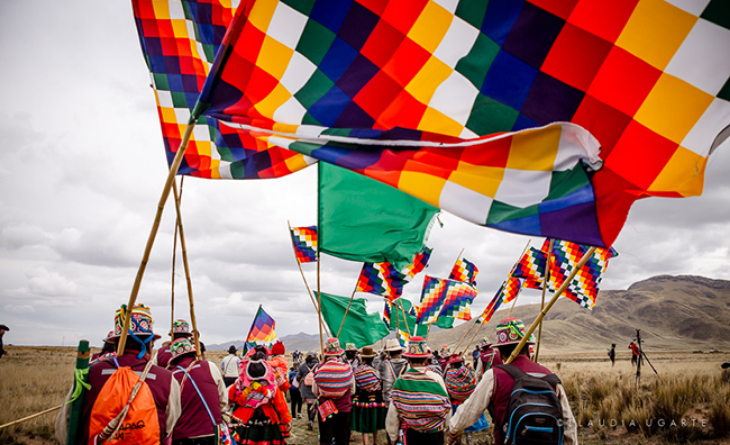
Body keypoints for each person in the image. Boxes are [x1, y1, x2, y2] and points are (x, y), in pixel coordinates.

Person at [55, 304, 181, 445]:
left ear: (115, 342)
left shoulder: (90, 373)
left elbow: (65, 425)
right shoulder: (167, 379)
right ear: (149, 343)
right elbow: (170, 425)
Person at [447, 318, 577, 445]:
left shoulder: (495, 375)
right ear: (527, 348)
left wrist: (453, 429)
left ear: (500, 352)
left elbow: (470, 410)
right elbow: (569, 423)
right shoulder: (550, 376)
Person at [386, 336, 451, 445]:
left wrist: (393, 435)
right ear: (426, 360)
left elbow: (393, 413)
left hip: (411, 433)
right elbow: (446, 404)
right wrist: (446, 427)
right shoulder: (436, 378)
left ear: (408, 360)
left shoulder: (401, 382)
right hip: (435, 433)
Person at [169, 337, 228, 445]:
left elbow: (171, 412)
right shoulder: (210, 366)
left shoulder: (171, 376)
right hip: (212, 431)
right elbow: (223, 400)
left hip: (183, 435)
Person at [229, 351, 292, 445]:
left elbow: (231, 396)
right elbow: (280, 403)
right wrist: (286, 420)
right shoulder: (272, 384)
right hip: (267, 417)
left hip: (243, 417)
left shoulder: (240, 382)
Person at [312, 338, 356, 445]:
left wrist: (326, 393)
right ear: (339, 353)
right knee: (342, 438)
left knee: (325, 438)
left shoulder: (320, 368)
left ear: (326, 353)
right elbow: (353, 390)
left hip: (325, 408)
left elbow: (315, 390)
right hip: (344, 409)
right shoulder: (347, 368)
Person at [444, 355, 487, 445]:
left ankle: (458, 442)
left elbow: (448, 388)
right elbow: (476, 382)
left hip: (456, 404)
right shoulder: (469, 371)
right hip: (469, 402)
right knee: (468, 427)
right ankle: (469, 441)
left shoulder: (449, 374)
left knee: (457, 426)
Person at [351, 346, 386, 445]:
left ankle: (366, 442)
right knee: (374, 419)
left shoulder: (357, 371)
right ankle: (375, 441)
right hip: (375, 399)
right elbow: (378, 384)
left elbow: (356, 383)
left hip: (362, 398)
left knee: (364, 421)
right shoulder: (374, 371)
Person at [378, 338, 408, 410]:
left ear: (388, 353)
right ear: (401, 351)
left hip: (389, 400)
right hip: (405, 400)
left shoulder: (385, 365)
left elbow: (375, 362)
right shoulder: (407, 364)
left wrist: (382, 351)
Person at [296, 351, 319, 430]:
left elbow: (298, 377)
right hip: (315, 388)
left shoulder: (302, 366)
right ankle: (312, 419)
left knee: (309, 405)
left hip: (305, 389)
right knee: (315, 405)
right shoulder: (318, 366)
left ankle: (310, 420)